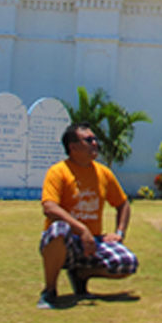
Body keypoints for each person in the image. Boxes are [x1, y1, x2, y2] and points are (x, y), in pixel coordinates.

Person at [37, 123, 138, 309]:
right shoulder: (58, 171)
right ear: (73, 147)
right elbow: (49, 207)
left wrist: (119, 233)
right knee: (59, 229)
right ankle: (49, 290)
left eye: (95, 139)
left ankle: (81, 274)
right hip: (66, 242)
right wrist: (82, 229)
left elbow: (123, 203)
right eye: (88, 140)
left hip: (93, 242)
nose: (95, 143)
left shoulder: (103, 173)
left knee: (127, 263)